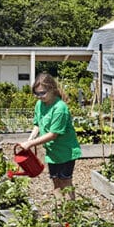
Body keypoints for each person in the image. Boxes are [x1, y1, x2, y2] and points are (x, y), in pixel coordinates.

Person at [20, 73, 82, 203]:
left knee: (66, 181)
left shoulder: (60, 108)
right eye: (36, 94)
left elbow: (53, 134)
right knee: (55, 181)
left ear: (52, 89)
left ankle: (71, 214)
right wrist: (29, 140)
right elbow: (37, 124)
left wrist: (31, 144)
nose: (39, 96)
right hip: (52, 152)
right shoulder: (39, 104)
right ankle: (60, 210)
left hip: (66, 151)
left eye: (42, 93)